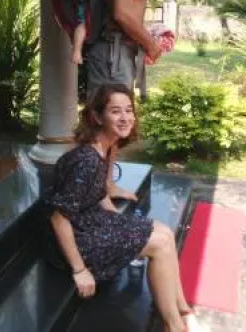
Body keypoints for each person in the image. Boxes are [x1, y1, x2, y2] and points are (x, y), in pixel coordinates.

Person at [45, 85, 200, 332]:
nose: (125, 117)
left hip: (89, 221)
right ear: (97, 117)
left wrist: (120, 222)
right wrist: (80, 270)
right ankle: (174, 326)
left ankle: (183, 310)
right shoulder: (86, 161)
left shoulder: (105, 146)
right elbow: (58, 218)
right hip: (77, 237)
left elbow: (98, 191)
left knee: (164, 232)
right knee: (160, 244)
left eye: (129, 110)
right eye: (115, 111)